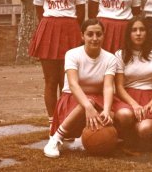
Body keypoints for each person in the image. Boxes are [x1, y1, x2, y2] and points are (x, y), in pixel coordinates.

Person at [29, 0, 86, 131]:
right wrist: (51, 26)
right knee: (50, 80)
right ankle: (52, 122)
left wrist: (71, 30)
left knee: (67, 82)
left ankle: (65, 123)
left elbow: (80, 13)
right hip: (49, 30)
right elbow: (40, 11)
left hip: (70, 31)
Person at [43, 19, 117, 158]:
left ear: (103, 36)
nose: (95, 38)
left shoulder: (110, 58)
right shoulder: (72, 54)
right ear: (82, 36)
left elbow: (108, 87)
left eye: (98, 34)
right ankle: (55, 139)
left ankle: (105, 141)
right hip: (72, 97)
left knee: (112, 116)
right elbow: (73, 84)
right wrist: (88, 106)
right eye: (90, 34)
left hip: (97, 98)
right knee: (89, 102)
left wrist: (106, 111)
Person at [113, 16, 152, 151]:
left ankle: (138, 136)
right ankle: (127, 137)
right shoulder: (121, 54)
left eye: (142, 30)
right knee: (124, 115)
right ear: (129, 34)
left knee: (145, 130)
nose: (138, 33)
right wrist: (134, 105)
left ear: (147, 32)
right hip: (127, 96)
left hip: (150, 96)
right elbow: (119, 87)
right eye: (134, 30)